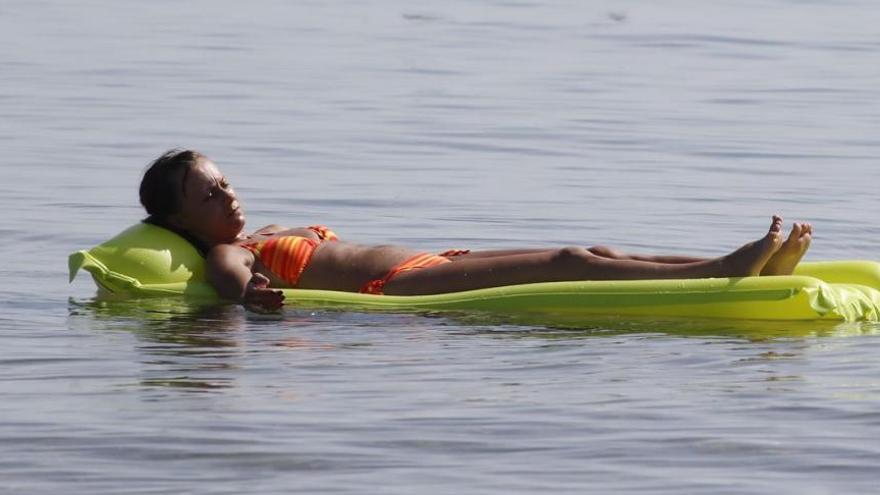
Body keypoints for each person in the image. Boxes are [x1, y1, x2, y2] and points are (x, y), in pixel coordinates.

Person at [139, 149, 813, 311]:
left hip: (439, 259)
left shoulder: (269, 226)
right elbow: (231, 279)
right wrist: (249, 295)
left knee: (596, 250)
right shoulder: (231, 251)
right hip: (403, 285)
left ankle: (733, 263)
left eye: (226, 181)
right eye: (210, 192)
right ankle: (725, 270)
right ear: (179, 220)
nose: (229, 193)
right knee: (570, 255)